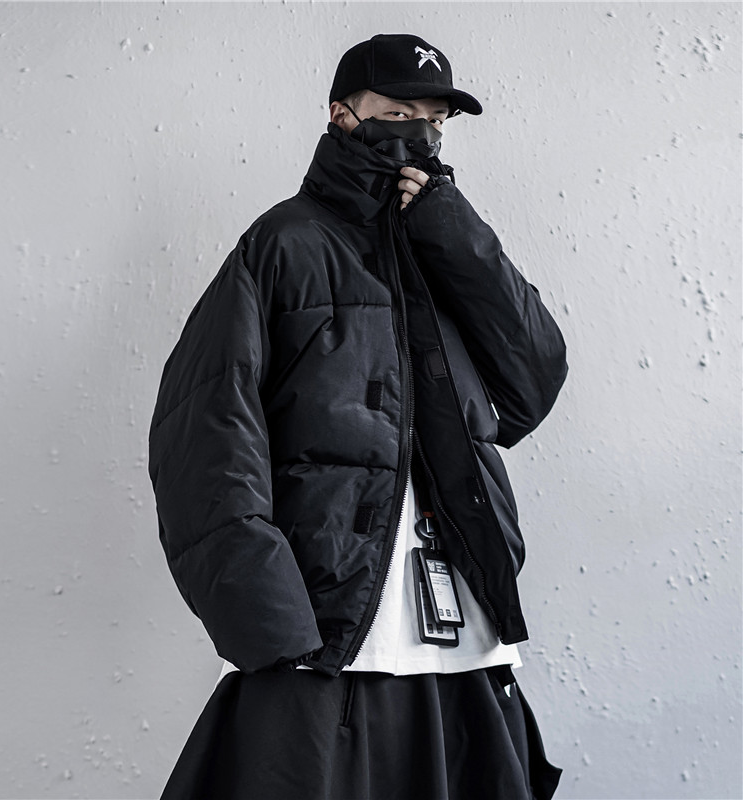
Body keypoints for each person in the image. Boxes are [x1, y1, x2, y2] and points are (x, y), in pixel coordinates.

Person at [149, 33, 567, 800]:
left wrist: (453, 233)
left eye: (434, 119)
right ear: (342, 115)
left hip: (461, 631)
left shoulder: (446, 244)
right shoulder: (283, 245)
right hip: (322, 634)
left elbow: (528, 391)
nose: (418, 132)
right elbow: (204, 438)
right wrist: (265, 616)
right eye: (396, 113)